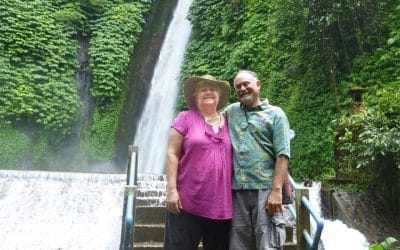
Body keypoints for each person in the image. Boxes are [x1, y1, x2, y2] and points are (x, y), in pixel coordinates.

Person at [164, 75, 233, 250]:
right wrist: (171, 190)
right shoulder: (185, 117)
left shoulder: (231, 123)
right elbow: (172, 154)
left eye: (212, 89)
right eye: (203, 89)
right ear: (195, 97)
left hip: (221, 206)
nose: (208, 92)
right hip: (186, 202)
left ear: (219, 96)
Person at [225, 70, 291, 250]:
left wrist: (277, 191)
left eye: (246, 84)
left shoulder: (276, 114)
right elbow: (210, 124)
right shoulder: (231, 112)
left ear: (258, 84)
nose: (243, 88)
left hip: (266, 190)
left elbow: (283, 154)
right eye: (238, 86)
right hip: (238, 191)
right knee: (238, 246)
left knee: (268, 245)